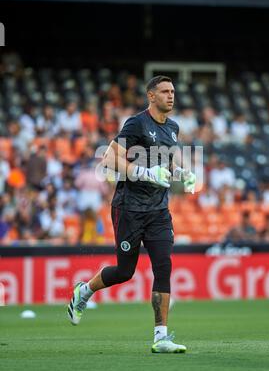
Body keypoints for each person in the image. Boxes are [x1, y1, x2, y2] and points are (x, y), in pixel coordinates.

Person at [67, 76, 196, 353]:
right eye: (164, 92)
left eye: (172, 91)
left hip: (159, 210)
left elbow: (165, 163)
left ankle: (161, 337)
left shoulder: (173, 127)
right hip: (129, 208)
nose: (171, 96)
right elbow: (109, 160)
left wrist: (182, 175)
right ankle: (85, 291)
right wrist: (144, 172)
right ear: (151, 96)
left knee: (163, 266)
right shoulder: (136, 123)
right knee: (125, 271)